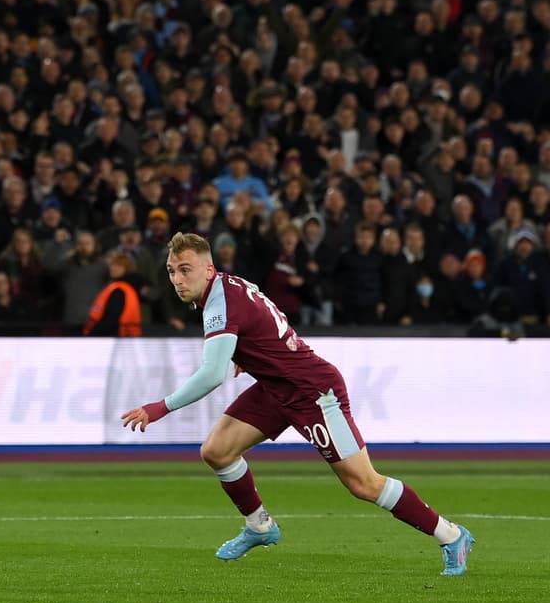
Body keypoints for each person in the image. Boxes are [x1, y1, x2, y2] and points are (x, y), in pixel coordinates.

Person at [121, 232, 475, 576]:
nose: (177, 279)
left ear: (209, 269)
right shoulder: (226, 287)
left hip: (313, 391)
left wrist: (160, 408)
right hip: (276, 388)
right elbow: (268, 318)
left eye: (186, 270)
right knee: (217, 450)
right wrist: (252, 353)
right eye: (171, 271)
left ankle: (452, 535)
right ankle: (259, 526)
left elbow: (213, 374)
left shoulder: (220, 301)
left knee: (363, 484)